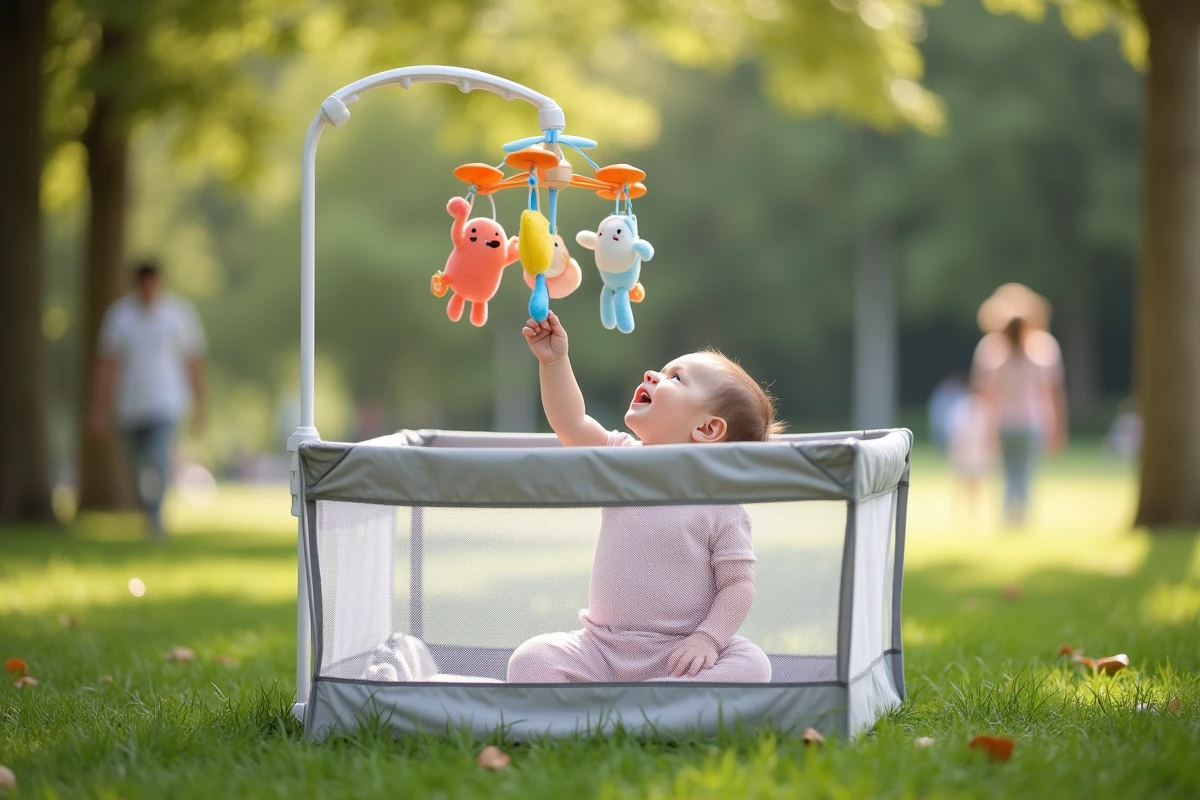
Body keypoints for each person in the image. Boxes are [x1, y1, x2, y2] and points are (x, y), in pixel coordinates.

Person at [506, 311, 778, 683]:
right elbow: (570, 422)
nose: (653, 374)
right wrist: (554, 361)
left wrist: (707, 640)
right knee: (530, 661)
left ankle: (637, 702)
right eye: (663, 370)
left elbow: (738, 585)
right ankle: (655, 708)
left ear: (707, 428)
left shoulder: (723, 505)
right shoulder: (622, 458)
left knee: (753, 666)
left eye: (675, 378)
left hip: (680, 655)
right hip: (601, 648)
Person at [90, 260, 207, 539]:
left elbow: (193, 361)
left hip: (166, 404)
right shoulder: (119, 316)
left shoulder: (179, 315)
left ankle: (155, 522)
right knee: (137, 470)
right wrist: (98, 408)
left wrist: (200, 405)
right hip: (130, 407)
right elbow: (107, 364)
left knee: (156, 461)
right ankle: (149, 513)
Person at [970, 284, 1067, 528]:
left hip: (1003, 422)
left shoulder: (991, 350)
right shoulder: (1043, 348)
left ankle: (1007, 518)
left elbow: (985, 395)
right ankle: (1019, 520)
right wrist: (1057, 428)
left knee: (1008, 474)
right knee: (1024, 475)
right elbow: (1052, 393)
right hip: (1031, 422)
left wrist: (984, 427)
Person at [944, 384, 996, 521]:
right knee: (962, 482)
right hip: (965, 451)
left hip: (977, 451)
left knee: (974, 484)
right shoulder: (961, 408)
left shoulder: (983, 408)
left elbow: (989, 432)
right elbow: (954, 432)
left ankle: (971, 512)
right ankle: (959, 512)